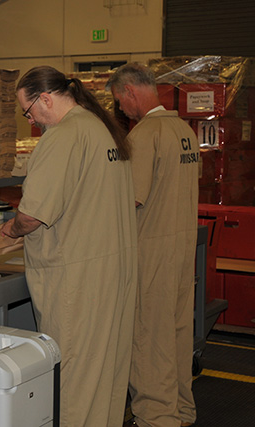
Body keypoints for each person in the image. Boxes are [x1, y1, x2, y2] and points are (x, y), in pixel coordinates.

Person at [0, 66, 137, 426]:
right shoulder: (102, 128)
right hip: (114, 276)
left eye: (28, 112)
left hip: (80, 282)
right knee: (106, 376)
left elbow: (32, 215)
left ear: (45, 99)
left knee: (75, 383)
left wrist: (9, 231)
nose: (31, 120)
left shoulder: (64, 136)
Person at [109, 63, 199, 427]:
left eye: (119, 100)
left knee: (148, 338)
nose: (120, 108)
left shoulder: (144, 136)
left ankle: (156, 418)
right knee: (177, 334)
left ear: (130, 92)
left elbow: (130, 198)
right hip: (182, 248)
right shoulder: (184, 131)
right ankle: (181, 408)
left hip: (152, 251)